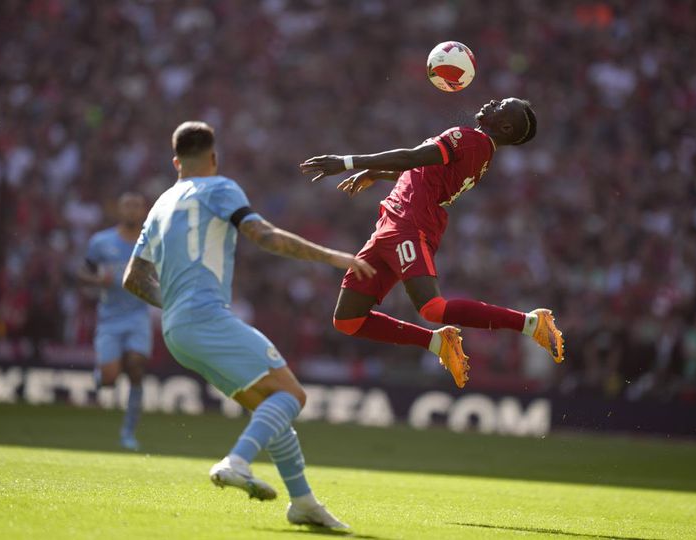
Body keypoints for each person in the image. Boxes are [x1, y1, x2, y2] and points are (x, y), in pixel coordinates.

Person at [123, 121, 445, 530]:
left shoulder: (160, 205)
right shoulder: (220, 187)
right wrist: (334, 258)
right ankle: (236, 462)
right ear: (214, 158)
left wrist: (174, 305)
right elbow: (266, 236)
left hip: (175, 330)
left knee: (268, 406)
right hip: (206, 317)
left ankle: (303, 503)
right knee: (291, 395)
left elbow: (132, 278)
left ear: (175, 161)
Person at [300, 97, 565, 388]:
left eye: (500, 105)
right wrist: (378, 172)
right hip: (390, 225)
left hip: (408, 225)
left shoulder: (469, 139)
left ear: (504, 125)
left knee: (432, 308)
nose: (492, 102)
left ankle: (530, 323)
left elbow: (413, 158)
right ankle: (438, 343)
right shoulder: (481, 154)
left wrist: (347, 162)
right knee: (349, 320)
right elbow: (425, 173)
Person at [78, 192, 151, 451]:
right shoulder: (101, 242)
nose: (132, 210)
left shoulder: (151, 242)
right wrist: (98, 281)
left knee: (136, 366)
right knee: (110, 379)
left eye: (137, 206)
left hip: (138, 316)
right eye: (127, 206)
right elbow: (82, 273)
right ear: (119, 211)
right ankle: (103, 375)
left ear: (144, 211)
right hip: (110, 318)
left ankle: (128, 433)